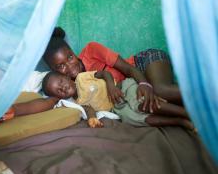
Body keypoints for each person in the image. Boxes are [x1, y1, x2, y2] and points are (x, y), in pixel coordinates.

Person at [43, 27, 184, 115]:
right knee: (149, 104)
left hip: (143, 63)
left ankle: (205, 96)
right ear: (53, 70)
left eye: (70, 57)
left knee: (160, 90)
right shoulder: (71, 86)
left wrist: (144, 84)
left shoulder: (91, 50)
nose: (69, 66)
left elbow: (128, 68)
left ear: (73, 52)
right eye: (60, 66)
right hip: (131, 87)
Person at [41, 71, 194, 130]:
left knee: (141, 104)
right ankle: (179, 121)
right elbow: (88, 109)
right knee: (133, 119)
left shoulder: (82, 78)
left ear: (67, 77)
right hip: (116, 108)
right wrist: (92, 118)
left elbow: (105, 74)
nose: (63, 88)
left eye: (61, 82)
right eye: (58, 91)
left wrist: (111, 86)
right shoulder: (77, 102)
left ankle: (188, 114)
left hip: (123, 88)